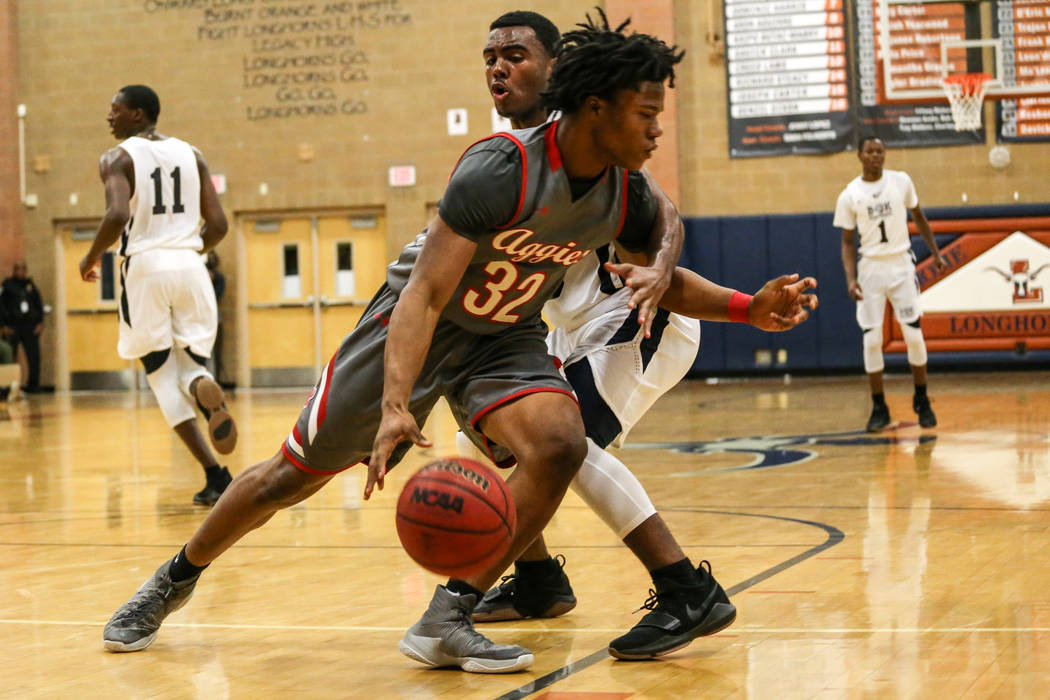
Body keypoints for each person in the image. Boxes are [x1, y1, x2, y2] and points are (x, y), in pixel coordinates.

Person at [101, 13, 812, 673]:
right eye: (648, 115)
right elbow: (425, 294)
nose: (658, 131)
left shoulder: (621, 189)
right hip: (414, 330)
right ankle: (173, 579)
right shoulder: (501, 167)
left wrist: (751, 310)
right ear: (599, 108)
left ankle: (448, 616)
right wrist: (392, 405)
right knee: (291, 477)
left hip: (505, 337)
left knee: (560, 445)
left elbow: (665, 257)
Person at [464, 10, 818, 661]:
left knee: (569, 446)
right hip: (573, 333)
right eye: (490, 56)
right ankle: (539, 579)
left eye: (515, 54)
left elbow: (663, 230)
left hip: (636, 322)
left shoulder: (589, 143)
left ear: (555, 68)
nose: (498, 67)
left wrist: (744, 307)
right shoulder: (507, 154)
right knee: (488, 422)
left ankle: (685, 588)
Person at [80, 85, 237, 506]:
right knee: (190, 363)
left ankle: (213, 472)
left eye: (115, 110)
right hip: (191, 265)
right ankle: (203, 384)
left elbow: (117, 214)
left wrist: (91, 256)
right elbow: (218, 225)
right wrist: (185, 252)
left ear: (138, 114)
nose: (108, 117)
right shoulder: (194, 154)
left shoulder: (117, 158)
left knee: (159, 372)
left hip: (146, 267)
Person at [835, 136, 948, 432]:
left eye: (880, 151)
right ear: (859, 155)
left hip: (900, 265)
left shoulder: (901, 182)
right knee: (871, 340)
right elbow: (846, 243)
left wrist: (935, 253)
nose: (876, 156)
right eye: (870, 151)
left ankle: (922, 399)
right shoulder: (849, 194)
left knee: (913, 334)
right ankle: (878, 406)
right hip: (870, 269)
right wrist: (851, 279)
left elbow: (919, 218)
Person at [1, 260, 45, 393]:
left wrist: (40, 322)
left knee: (34, 357)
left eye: (23, 268)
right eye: (18, 268)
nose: (21, 271)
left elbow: (39, 304)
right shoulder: (7, 285)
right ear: (14, 270)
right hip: (12, 326)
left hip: (30, 326)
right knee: (10, 355)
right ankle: (9, 386)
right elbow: (1, 306)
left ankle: (33, 385)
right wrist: (2, 325)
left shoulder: (30, 285)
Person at [205, 251, 226, 385]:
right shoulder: (196, 277)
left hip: (214, 319)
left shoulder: (220, 278)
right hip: (198, 321)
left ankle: (216, 382)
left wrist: (211, 281)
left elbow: (217, 296)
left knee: (216, 354)